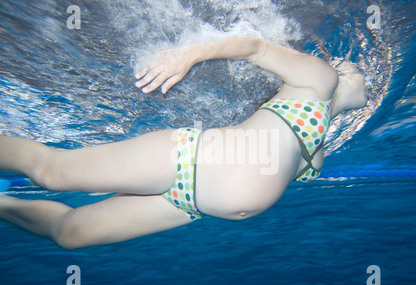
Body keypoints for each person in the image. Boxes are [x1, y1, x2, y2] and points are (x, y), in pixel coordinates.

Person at [0, 36, 368, 249]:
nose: (365, 81)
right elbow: (255, 47)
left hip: (186, 206)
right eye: (359, 75)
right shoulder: (317, 82)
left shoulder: (317, 147)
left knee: (71, 234)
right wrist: (188, 54)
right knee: (53, 174)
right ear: (341, 73)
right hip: (189, 159)